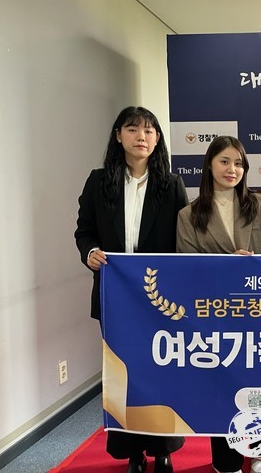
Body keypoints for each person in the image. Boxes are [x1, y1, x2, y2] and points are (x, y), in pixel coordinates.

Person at [75, 106, 188, 473]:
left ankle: (162, 451)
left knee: (160, 372)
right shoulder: (98, 182)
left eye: (150, 130)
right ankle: (133, 453)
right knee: (122, 375)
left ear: (157, 139)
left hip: (159, 298)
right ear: (118, 136)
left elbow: (183, 240)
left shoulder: (171, 185)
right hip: (115, 296)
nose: (142, 136)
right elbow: (84, 231)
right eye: (133, 129)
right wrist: (90, 252)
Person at [176, 135, 261, 473]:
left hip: (258, 314)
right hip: (215, 318)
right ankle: (226, 460)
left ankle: (260, 452)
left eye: (238, 163)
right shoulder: (189, 214)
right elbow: (186, 267)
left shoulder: (260, 203)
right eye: (224, 161)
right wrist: (228, 264)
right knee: (222, 389)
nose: (232, 169)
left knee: (259, 387)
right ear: (209, 165)